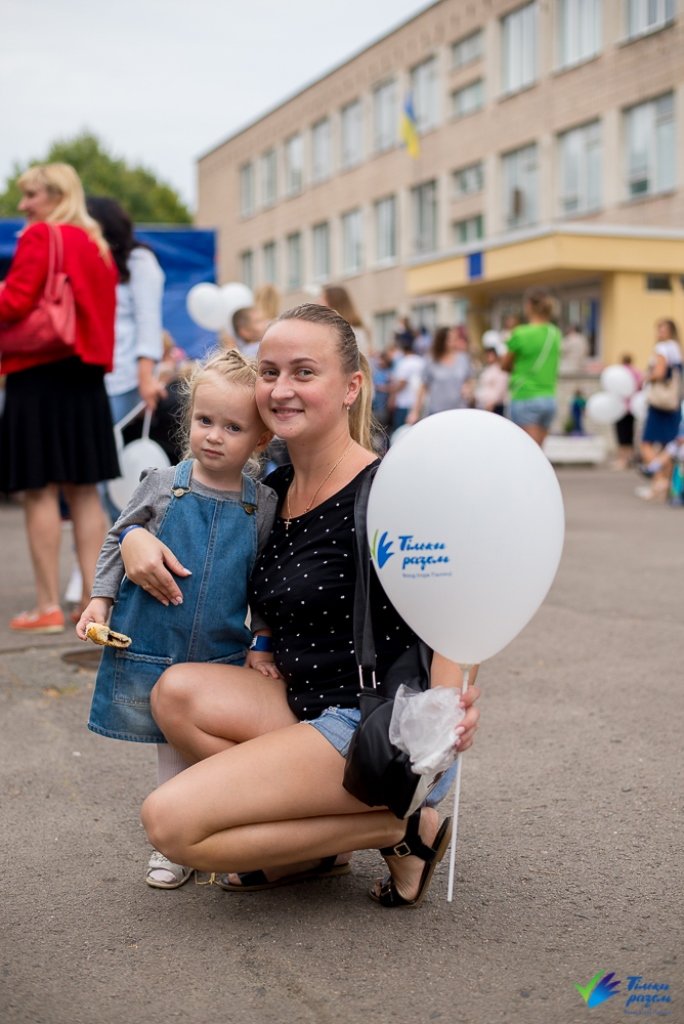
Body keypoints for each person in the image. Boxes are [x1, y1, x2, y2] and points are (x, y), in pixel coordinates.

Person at [119, 303, 480, 907]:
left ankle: (399, 827)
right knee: (175, 693)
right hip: (298, 701)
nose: (281, 389)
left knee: (171, 824)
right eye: (269, 372)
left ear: (351, 387)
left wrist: (443, 723)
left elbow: (451, 610)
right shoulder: (272, 490)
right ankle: (315, 847)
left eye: (303, 372)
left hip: (368, 723)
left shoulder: (390, 491)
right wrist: (133, 537)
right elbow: (183, 520)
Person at [76, 349, 277, 887]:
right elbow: (119, 538)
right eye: (204, 421)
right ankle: (170, 846)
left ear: (260, 439)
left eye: (232, 427)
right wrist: (100, 599)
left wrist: (263, 638)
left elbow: (264, 580)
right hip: (157, 641)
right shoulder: (163, 483)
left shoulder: (262, 504)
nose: (214, 436)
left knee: (206, 742)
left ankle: (210, 826)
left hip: (221, 650)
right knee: (170, 742)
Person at [0, 163, 119, 633]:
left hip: (38, 373)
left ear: (57, 194)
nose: (23, 205)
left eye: (31, 195)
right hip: (85, 378)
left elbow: (15, 302)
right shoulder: (96, 244)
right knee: (85, 490)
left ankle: (48, 605)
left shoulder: (40, 236)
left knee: (40, 490)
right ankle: (92, 604)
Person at [86, 196, 166, 428]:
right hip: (93, 374)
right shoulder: (90, 261)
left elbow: (148, 320)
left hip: (124, 377)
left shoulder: (139, 261)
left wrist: (145, 378)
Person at [502, 287, 562, 447]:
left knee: (529, 451)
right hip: (548, 398)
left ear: (528, 305)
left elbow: (505, 365)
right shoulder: (554, 333)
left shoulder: (520, 333)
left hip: (525, 396)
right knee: (538, 451)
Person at [638, 319, 683, 497]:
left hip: (659, 402)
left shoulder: (662, 348)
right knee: (669, 444)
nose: (659, 333)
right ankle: (668, 485)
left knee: (646, 443)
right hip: (674, 402)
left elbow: (660, 372)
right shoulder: (677, 348)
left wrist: (646, 377)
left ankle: (659, 480)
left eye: (662, 330)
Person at [408, 326, 474, 423]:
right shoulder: (431, 360)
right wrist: (415, 411)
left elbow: (469, 380)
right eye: (450, 339)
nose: (453, 342)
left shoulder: (463, 359)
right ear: (441, 341)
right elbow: (423, 387)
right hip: (437, 413)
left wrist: (468, 389)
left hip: (459, 411)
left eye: (455, 338)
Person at [319, 284, 371, 356]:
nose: (318, 301)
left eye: (322, 298)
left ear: (334, 302)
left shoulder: (353, 333)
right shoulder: (327, 329)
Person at [612, 355, 642, 470]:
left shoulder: (619, 372)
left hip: (620, 408)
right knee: (629, 434)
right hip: (632, 408)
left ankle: (622, 460)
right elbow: (640, 386)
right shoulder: (636, 372)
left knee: (621, 434)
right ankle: (629, 459)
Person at [389, 336, 425, 429]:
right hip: (417, 402)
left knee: (401, 430)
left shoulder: (404, 362)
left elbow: (402, 383)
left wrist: (392, 395)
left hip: (404, 402)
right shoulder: (421, 361)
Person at [475, 346, 508, 416]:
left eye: (490, 355)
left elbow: (500, 388)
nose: (489, 357)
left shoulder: (499, 370)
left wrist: (492, 403)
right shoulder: (487, 369)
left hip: (494, 406)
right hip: (485, 405)